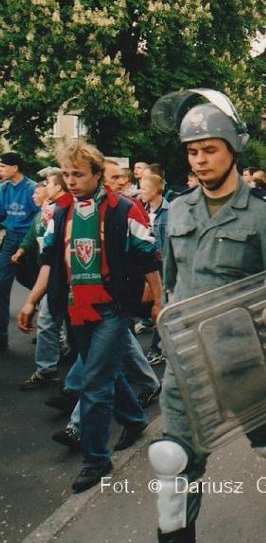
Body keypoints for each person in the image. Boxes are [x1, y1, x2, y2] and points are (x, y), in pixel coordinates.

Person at [153, 90, 266, 540]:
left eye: (209, 150)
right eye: (192, 152)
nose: (199, 160)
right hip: (187, 360)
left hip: (246, 359)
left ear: (232, 150)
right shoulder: (178, 210)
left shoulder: (265, 216)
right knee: (172, 462)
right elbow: (171, 281)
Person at [17, 141, 162, 492]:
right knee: (102, 372)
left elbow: (148, 259)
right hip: (73, 307)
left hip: (113, 308)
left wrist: (158, 302)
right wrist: (32, 301)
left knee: (94, 383)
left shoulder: (124, 210)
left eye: (78, 174)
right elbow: (49, 260)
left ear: (97, 175)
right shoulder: (59, 212)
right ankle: (133, 418)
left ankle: (96, 460)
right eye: (65, 174)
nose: (70, 180)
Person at [15, 171, 71, 389]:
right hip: (55, 277)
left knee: (88, 335)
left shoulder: (64, 211)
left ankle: (143, 380)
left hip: (74, 281)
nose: (45, 186)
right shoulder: (50, 212)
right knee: (47, 322)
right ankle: (47, 370)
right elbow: (45, 251)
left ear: (58, 188)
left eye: (48, 183)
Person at [0, 151, 41, 351]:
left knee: (36, 283)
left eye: (2, 166)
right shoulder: (4, 189)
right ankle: (1, 336)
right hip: (10, 238)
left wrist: (27, 245)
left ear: (14, 168)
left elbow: (40, 216)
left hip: (30, 240)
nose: (0, 170)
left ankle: (48, 331)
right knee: (1, 283)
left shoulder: (32, 188)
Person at [137, 174, 170, 365]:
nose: (140, 191)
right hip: (150, 267)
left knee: (162, 307)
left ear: (155, 191)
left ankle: (157, 348)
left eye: (144, 188)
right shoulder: (143, 210)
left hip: (164, 268)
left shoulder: (169, 212)